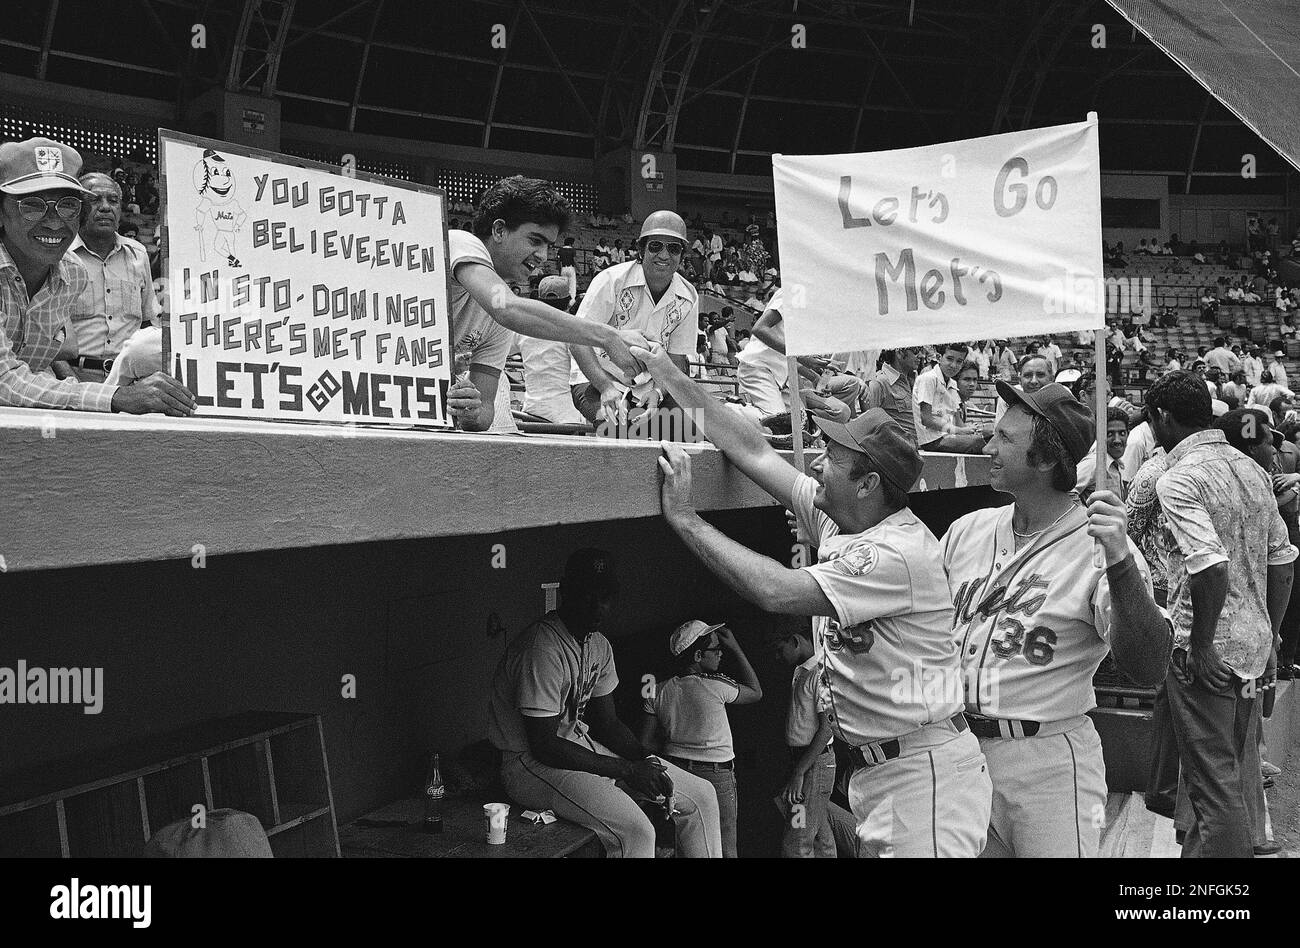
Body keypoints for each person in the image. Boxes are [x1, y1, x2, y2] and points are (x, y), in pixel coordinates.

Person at [633, 338, 993, 856]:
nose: (818, 462)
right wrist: (668, 373)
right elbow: (751, 449)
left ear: (868, 483)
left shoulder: (895, 552)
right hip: (886, 770)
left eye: (832, 456)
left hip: (924, 775)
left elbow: (774, 591)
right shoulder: (841, 514)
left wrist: (686, 520)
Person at [941, 381, 1170, 857]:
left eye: (1004, 439)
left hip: (1046, 760)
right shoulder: (968, 530)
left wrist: (1121, 562)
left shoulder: (1100, 546)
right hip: (960, 751)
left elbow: (1149, 665)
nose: (988, 447)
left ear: (1045, 460)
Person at [486, 548, 723, 858]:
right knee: (637, 832)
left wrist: (645, 760)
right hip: (528, 765)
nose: (597, 605)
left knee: (703, 795)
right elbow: (544, 744)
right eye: (587, 593)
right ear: (566, 591)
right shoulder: (542, 648)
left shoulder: (598, 644)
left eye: (606, 595)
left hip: (579, 748)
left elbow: (608, 724)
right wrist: (627, 770)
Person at [1146, 373, 1296, 856]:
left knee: (1215, 790)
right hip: (1252, 647)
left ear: (1162, 419)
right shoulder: (1252, 468)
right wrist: (1270, 638)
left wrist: (1204, 643)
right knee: (1226, 771)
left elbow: (1209, 567)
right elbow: (1283, 562)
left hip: (1205, 654)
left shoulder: (1179, 477)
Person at [0, 137, 193, 415]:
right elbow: (5, 380)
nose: (54, 222)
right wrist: (113, 397)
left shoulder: (70, 274)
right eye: (31, 205)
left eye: (67, 205)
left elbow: (32, 368)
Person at [445, 176, 649, 432]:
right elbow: (506, 307)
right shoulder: (459, 242)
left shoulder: (499, 323)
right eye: (535, 240)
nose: (543, 256)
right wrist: (608, 336)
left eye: (548, 246)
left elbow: (485, 412)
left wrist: (471, 410)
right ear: (498, 230)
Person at [638, 620, 761, 858]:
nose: (720, 653)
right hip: (717, 775)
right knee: (726, 848)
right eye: (715, 649)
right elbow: (756, 692)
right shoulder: (716, 685)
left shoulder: (658, 690)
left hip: (676, 773)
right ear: (697, 655)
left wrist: (675, 740)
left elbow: (643, 742)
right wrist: (736, 647)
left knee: (687, 847)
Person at [568, 210, 698, 431]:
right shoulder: (611, 281)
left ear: (682, 255)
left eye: (673, 248)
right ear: (641, 249)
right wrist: (607, 387)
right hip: (597, 378)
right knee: (614, 429)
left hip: (652, 385)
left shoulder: (689, 296)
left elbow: (676, 360)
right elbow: (578, 341)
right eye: (656, 246)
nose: (664, 255)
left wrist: (657, 393)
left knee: (689, 429)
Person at [49, 172, 159, 384]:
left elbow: (146, 322)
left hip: (129, 379)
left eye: (113, 200)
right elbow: (44, 331)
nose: (106, 207)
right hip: (71, 377)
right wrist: (70, 382)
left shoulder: (138, 254)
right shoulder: (59, 256)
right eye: (95, 199)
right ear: (77, 208)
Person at [769, 625, 839, 858]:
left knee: (796, 843)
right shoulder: (802, 670)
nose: (778, 658)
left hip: (814, 764)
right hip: (805, 762)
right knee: (820, 837)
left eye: (780, 650)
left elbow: (827, 728)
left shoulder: (820, 673)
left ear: (795, 639)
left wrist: (799, 773)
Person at [517, 276, 586, 424]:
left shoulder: (523, 328)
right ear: (569, 302)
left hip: (531, 411)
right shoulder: (574, 330)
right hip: (565, 415)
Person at [914, 341, 987, 452]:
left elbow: (958, 422)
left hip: (949, 436)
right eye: (949, 359)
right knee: (982, 443)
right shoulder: (928, 378)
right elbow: (926, 419)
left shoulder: (952, 383)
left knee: (990, 435)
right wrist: (959, 431)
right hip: (933, 440)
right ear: (939, 357)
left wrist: (971, 430)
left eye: (959, 361)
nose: (954, 365)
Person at [862, 348, 918, 443]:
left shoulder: (913, 381)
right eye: (916, 351)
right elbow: (869, 426)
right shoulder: (879, 382)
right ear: (900, 352)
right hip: (900, 448)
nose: (921, 355)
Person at [1075, 406, 1130, 503]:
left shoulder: (1115, 464)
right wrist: (1085, 514)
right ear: (1098, 435)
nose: (1117, 440)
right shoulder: (1094, 463)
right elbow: (1067, 493)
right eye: (1110, 434)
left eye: (1122, 433)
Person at [994, 353, 1052, 424]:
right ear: (1020, 380)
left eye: (1040, 375)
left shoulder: (1061, 399)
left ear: (1051, 378)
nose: (1034, 381)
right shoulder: (1007, 398)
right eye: (1028, 375)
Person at [556, 236, 578, 302]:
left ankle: (564, 300)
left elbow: (558, 261)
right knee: (572, 286)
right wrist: (579, 270)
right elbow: (574, 260)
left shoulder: (560, 250)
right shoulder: (573, 250)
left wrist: (560, 271)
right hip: (571, 268)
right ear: (571, 243)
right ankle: (572, 300)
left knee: (564, 286)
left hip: (563, 268)